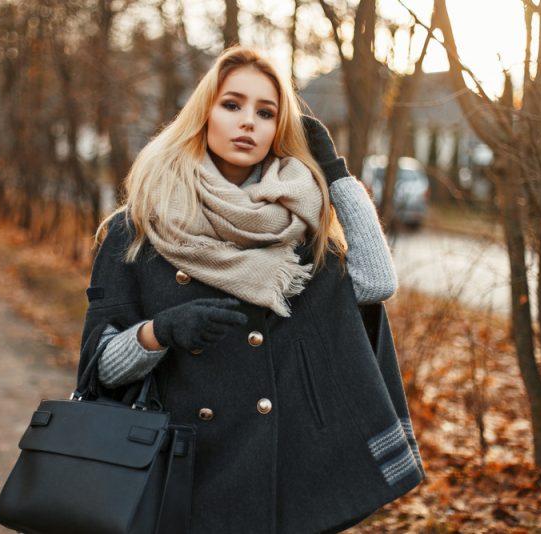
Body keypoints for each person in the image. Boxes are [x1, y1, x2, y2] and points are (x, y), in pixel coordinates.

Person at [76, 46, 425, 533]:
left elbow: (375, 285)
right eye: (232, 104)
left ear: (279, 130)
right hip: (178, 470)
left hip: (280, 471)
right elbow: (99, 370)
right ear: (203, 114)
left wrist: (337, 175)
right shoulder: (136, 229)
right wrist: (160, 332)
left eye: (266, 112)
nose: (248, 123)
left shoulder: (298, 227)